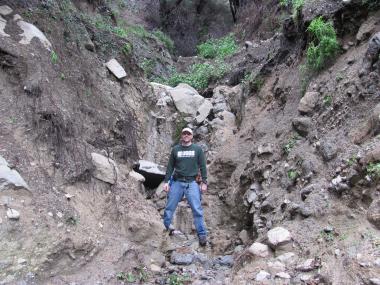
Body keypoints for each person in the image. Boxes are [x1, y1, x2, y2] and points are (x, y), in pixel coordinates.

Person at [162, 127, 208, 246]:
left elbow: (203, 166)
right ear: (182, 136)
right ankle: (164, 229)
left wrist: (204, 182)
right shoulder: (175, 150)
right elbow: (170, 167)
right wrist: (166, 182)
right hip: (177, 182)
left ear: (192, 136)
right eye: (184, 133)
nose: (186, 135)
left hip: (192, 183)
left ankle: (202, 234)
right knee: (169, 207)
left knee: (197, 209)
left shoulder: (197, 150)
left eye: (188, 134)